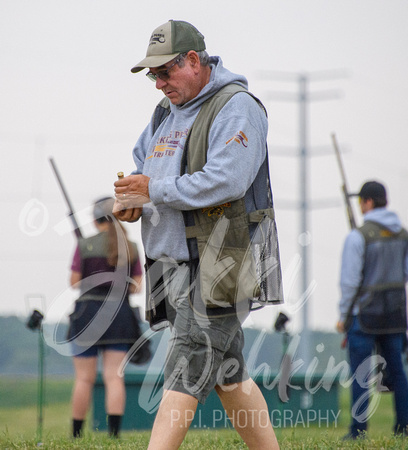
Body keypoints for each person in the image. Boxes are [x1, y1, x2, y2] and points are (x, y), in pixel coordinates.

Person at [113, 20, 283, 449]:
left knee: (186, 362)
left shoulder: (237, 107)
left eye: (164, 72)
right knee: (228, 373)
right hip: (173, 265)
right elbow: (143, 170)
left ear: (193, 60)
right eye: (152, 75)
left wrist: (154, 191)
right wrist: (134, 198)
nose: (157, 84)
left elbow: (227, 180)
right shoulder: (163, 115)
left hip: (223, 260)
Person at [336, 181, 408, 439]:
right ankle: (404, 428)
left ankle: (358, 432)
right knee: (398, 373)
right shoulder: (402, 235)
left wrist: (344, 316)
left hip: (364, 316)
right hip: (395, 316)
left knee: (361, 375)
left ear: (366, 202)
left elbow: (349, 282)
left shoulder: (358, 236)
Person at [68, 197, 143, 438]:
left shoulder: (84, 244)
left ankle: (77, 435)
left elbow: (73, 282)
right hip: (119, 316)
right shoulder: (130, 246)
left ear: (94, 219)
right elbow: (137, 286)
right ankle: (113, 435)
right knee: (114, 377)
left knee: (83, 379)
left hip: (86, 315)